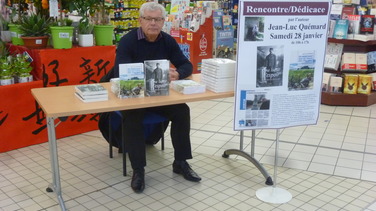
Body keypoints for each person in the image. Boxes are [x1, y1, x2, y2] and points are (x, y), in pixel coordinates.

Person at [112, 2, 201, 193]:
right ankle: (138, 169)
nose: (153, 23)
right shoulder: (128, 41)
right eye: (149, 19)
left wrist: (177, 74)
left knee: (182, 110)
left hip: (158, 95)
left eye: (158, 19)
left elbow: (186, 64)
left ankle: (180, 161)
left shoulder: (167, 40)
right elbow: (120, 70)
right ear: (140, 21)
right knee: (132, 115)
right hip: (134, 95)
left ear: (163, 21)